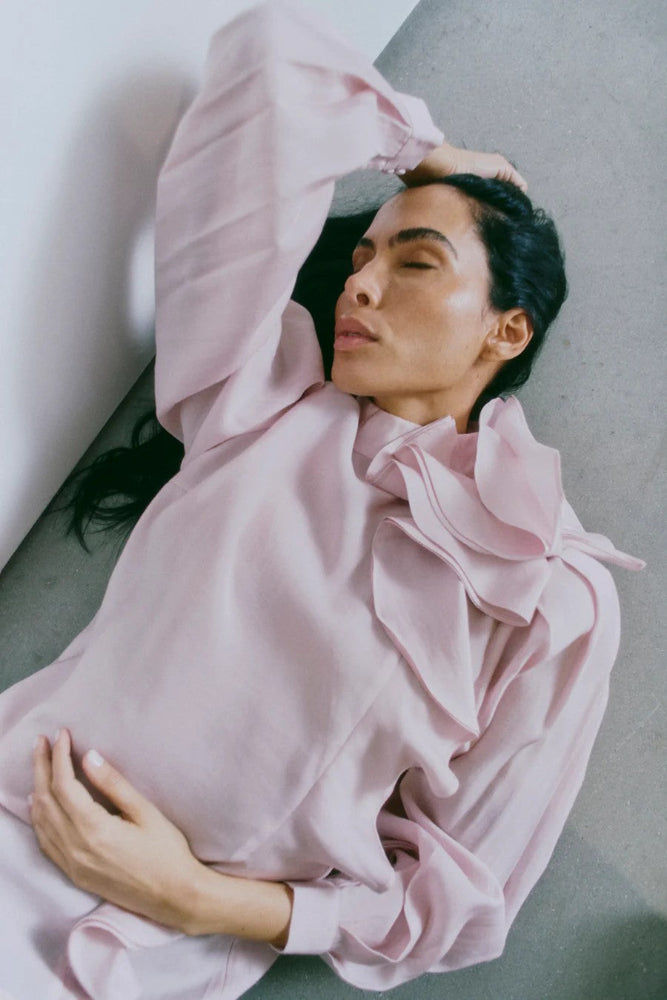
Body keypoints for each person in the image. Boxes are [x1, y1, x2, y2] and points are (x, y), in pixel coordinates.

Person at [0, 2, 643, 998]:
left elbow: (461, 903)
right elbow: (266, 57)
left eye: (414, 261)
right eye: (361, 258)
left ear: (506, 330)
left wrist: (200, 900)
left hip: (142, 951)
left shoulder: (552, 596)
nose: (361, 286)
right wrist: (429, 155)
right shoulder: (259, 398)